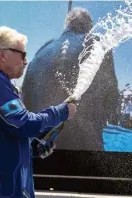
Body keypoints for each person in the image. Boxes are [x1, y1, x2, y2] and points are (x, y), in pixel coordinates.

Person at [0, 26, 77, 198]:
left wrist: (32, 147)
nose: (26, 61)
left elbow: (7, 133)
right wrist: (61, 112)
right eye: (22, 54)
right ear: (3, 54)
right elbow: (24, 123)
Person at [21, 7, 119, 151]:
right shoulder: (97, 45)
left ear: (66, 25)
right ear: (90, 26)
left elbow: (25, 99)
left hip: (40, 150)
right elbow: (111, 96)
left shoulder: (42, 51)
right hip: (85, 151)